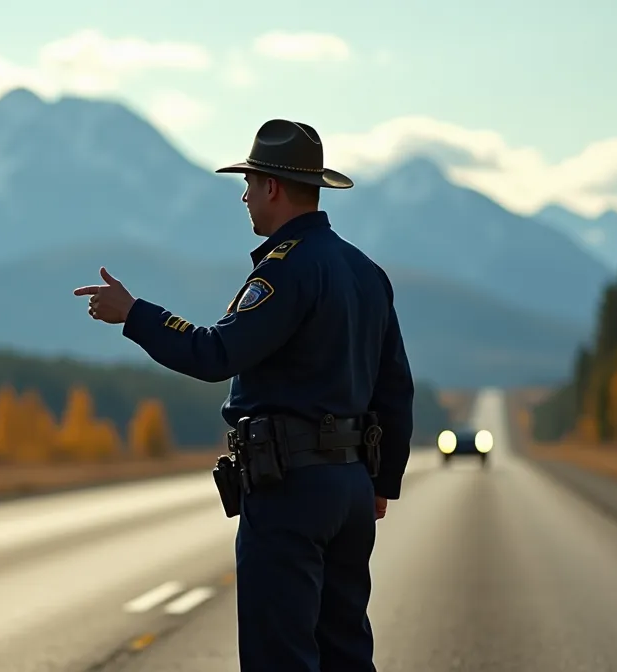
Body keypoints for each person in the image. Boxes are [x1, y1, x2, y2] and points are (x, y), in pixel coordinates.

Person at [72, 119, 414, 671]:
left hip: (291, 487)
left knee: (280, 656)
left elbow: (215, 354)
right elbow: (395, 386)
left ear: (273, 187)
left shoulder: (286, 271)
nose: (245, 197)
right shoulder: (365, 272)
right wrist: (380, 482)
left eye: (250, 184)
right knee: (346, 651)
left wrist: (134, 314)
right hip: (350, 488)